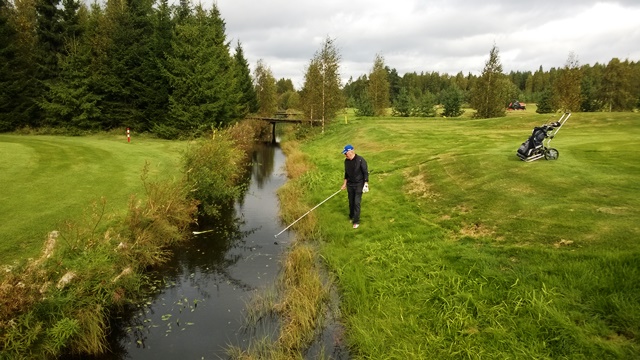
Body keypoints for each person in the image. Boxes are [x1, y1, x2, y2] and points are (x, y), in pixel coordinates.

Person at [340, 144, 369, 229]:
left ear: (351, 152)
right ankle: (351, 216)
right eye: (344, 154)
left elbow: (365, 172)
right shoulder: (346, 161)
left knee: (357, 202)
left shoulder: (360, 160)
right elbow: (346, 174)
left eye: (346, 153)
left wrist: (366, 183)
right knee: (351, 202)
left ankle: (356, 221)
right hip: (350, 184)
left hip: (359, 184)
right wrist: (344, 184)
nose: (345, 155)